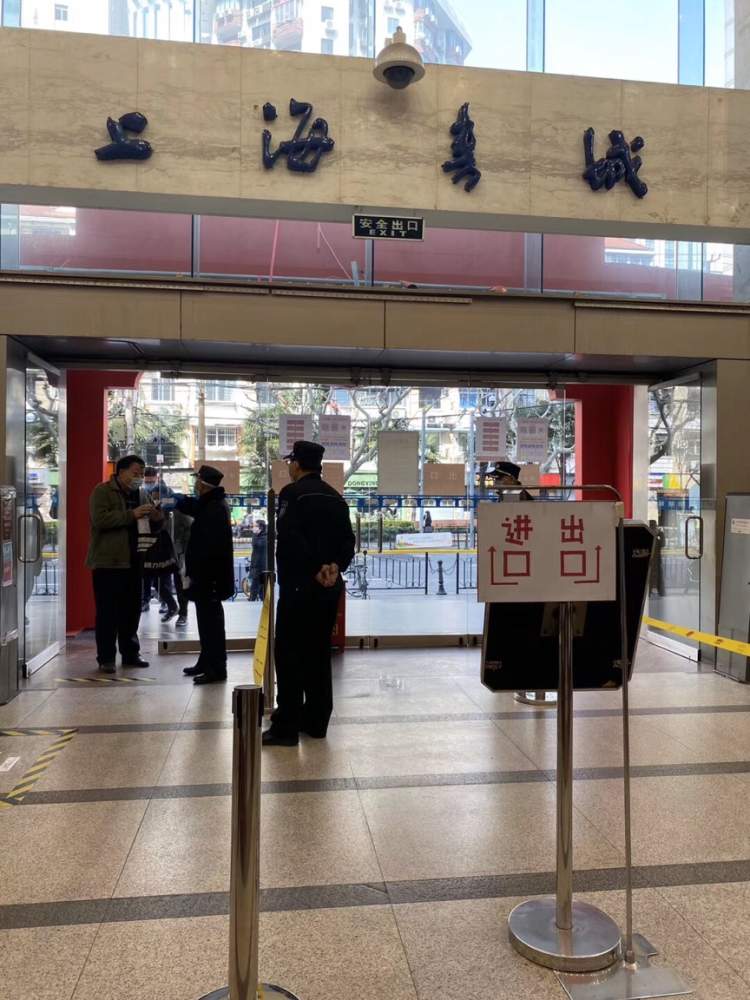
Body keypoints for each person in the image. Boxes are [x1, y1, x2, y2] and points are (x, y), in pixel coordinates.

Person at [263, 441, 355, 747]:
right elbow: (348, 540)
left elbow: (290, 538)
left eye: (291, 462)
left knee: (289, 654)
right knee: (318, 653)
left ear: (297, 464)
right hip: (329, 586)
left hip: (300, 586)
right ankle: (316, 721)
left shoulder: (292, 494)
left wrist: (315, 568)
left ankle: (286, 726)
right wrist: (335, 566)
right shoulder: (335, 497)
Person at [87, 455, 162, 673]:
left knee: (132, 611)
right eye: (135, 473)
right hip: (108, 561)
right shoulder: (102, 491)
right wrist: (132, 514)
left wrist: (156, 516)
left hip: (135, 559)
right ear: (121, 472)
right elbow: (99, 519)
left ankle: (131, 654)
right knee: (107, 613)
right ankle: (106, 658)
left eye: (142, 474)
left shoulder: (142, 494)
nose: (139, 478)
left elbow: (154, 524)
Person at [177, 465, 235, 685]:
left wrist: (199, 574)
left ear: (202, 485)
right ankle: (206, 661)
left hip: (209, 578)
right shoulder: (210, 503)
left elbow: (209, 548)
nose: (195, 485)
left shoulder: (214, 508)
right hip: (206, 577)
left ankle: (216, 668)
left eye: (197, 482)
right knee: (205, 621)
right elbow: (194, 507)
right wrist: (178, 500)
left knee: (212, 625)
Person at [248, 519, 268, 601]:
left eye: (255, 526)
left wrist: (254, 535)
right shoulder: (258, 536)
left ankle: (254, 598)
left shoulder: (264, 537)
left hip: (261, 564)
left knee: (257, 583)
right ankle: (259, 597)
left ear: (260, 528)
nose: (253, 528)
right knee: (257, 583)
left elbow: (257, 544)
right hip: (256, 563)